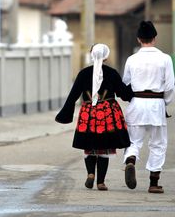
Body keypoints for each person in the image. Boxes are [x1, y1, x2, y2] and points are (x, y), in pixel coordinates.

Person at [55, 44, 134, 191]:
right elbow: (124, 93)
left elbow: (73, 95)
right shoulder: (112, 73)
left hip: (88, 112)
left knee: (89, 146)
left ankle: (90, 174)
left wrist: (65, 113)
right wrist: (136, 87)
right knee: (104, 148)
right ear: (106, 56)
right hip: (108, 113)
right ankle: (101, 182)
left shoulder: (83, 74)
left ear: (92, 55)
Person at [122, 21, 175, 194]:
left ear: (139, 39)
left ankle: (130, 159)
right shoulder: (165, 58)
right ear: (155, 38)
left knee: (133, 140)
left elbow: (126, 83)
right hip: (156, 103)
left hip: (137, 103)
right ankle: (154, 183)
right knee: (158, 144)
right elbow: (170, 86)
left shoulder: (132, 59)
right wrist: (164, 102)